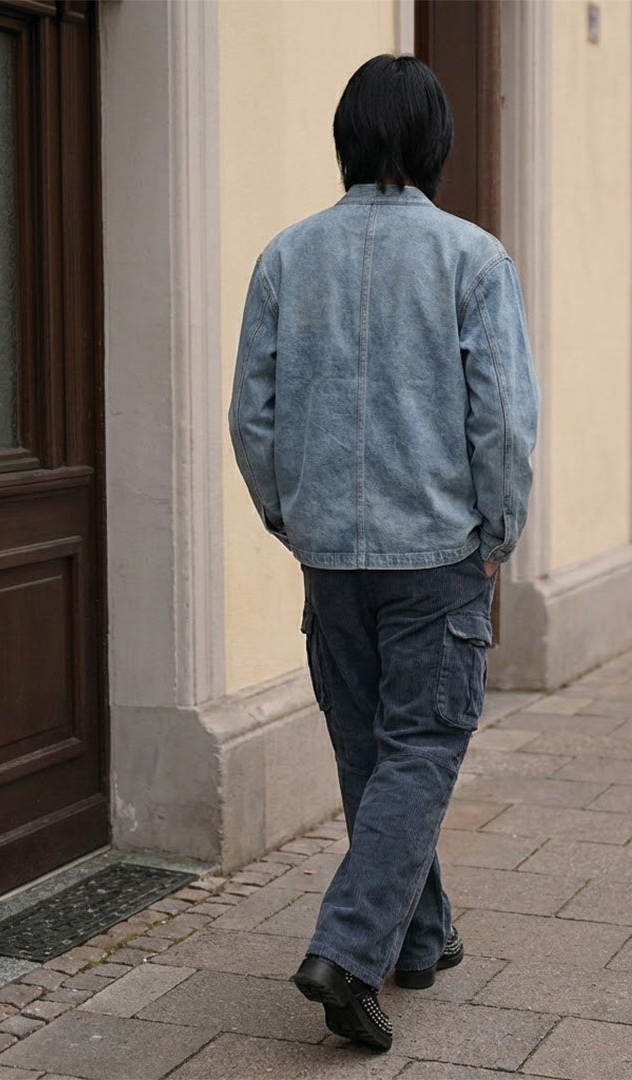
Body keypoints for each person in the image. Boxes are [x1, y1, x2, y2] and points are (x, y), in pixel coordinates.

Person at [228, 53, 539, 1052]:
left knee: (375, 755)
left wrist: (292, 519)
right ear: (436, 141)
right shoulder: (473, 260)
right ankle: (348, 952)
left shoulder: (285, 258)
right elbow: (503, 423)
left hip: (332, 560)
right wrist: (497, 536)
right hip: (436, 555)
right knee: (421, 751)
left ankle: (421, 936)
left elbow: (250, 417)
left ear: (347, 139)